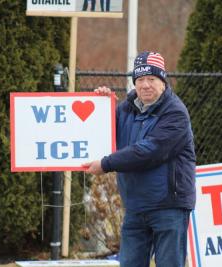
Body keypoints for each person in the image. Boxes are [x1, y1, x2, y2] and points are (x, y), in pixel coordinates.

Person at [83, 51, 196, 267]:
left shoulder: (176, 113)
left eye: (152, 79)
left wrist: (105, 164)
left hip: (168, 206)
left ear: (163, 81)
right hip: (135, 206)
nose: (145, 85)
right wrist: (102, 103)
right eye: (140, 79)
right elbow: (100, 131)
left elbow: (148, 151)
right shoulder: (126, 109)